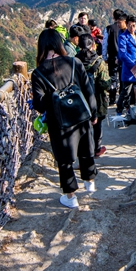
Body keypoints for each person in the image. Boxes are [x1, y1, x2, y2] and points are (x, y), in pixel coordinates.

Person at [31, 29, 98, 208]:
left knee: (64, 159)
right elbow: (88, 90)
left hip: (59, 122)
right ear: (59, 44)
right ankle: (90, 183)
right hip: (81, 114)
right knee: (86, 148)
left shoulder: (38, 73)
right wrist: (93, 113)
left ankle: (71, 197)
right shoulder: (74, 62)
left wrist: (52, 99)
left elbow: (39, 105)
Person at [75, 31, 110, 157]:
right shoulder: (98, 62)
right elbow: (105, 83)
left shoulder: (74, 61)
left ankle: (83, 151)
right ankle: (97, 148)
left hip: (79, 100)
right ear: (93, 45)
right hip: (97, 98)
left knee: (82, 126)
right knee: (97, 124)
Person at [117, 15, 136, 119]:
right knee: (126, 91)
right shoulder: (123, 37)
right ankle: (120, 109)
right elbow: (122, 54)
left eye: (133, 25)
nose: (131, 28)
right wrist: (133, 65)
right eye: (129, 25)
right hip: (129, 68)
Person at [103, 10, 125, 106]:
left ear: (113, 17)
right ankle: (121, 99)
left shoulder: (109, 28)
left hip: (112, 57)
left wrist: (104, 56)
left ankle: (112, 99)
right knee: (122, 78)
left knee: (113, 78)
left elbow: (105, 44)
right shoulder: (124, 30)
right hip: (122, 58)